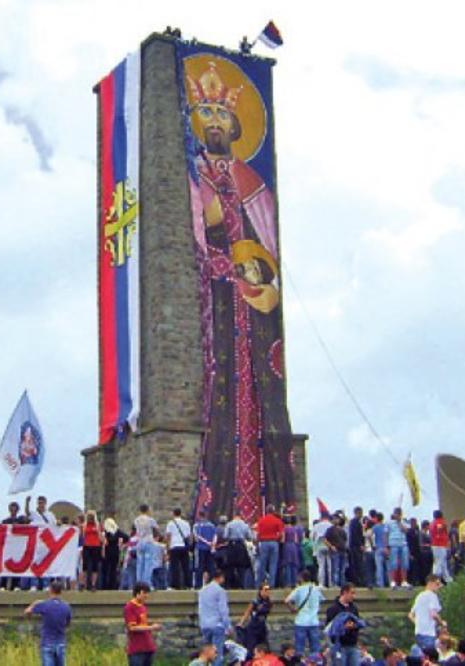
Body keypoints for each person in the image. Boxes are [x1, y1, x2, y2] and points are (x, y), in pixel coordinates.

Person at [186, 58, 297, 524]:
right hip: (216, 303)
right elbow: (199, 231)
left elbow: (265, 239)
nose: (214, 124)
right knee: (224, 388)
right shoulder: (195, 176)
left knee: (260, 390)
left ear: (235, 126)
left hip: (252, 308)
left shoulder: (252, 182)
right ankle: (225, 498)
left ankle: (270, 502)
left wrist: (254, 275)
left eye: (222, 117)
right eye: (205, 115)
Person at [24, 580, 73, 666]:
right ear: (61, 591)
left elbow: (27, 612)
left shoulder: (44, 605)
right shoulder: (66, 606)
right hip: (60, 642)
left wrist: (34, 603)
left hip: (47, 642)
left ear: (50, 590)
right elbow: (68, 623)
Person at [285, 569, 324, 656]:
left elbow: (287, 600)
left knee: (299, 649)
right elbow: (322, 600)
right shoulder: (316, 589)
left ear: (301, 578)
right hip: (314, 621)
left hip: (301, 621)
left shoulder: (299, 589)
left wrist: (292, 609)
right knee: (315, 649)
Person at [199, 570, 232, 666]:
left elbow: (200, 609)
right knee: (217, 654)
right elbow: (223, 611)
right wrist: (228, 626)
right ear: (220, 577)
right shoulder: (220, 591)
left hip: (205, 625)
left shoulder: (202, 591)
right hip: (217, 625)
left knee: (207, 654)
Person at [124, 581, 161, 666]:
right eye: (144, 593)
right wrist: (151, 627)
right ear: (137, 592)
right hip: (137, 649)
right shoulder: (129, 607)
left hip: (148, 647)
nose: (146, 596)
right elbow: (132, 627)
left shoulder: (143, 607)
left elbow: (143, 624)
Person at [326, 583, 364, 666]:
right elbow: (329, 629)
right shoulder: (333, 609)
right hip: (340, 646)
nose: (353, 596)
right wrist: (342, 627)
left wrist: (353, 626)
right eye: (352, 593)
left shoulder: (353, 609)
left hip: (353, 645)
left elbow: (357, 623)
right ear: (345, 592)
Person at [410, 575, 447, 652]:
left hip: (418, 632)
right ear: (430, 583)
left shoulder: (419, 596)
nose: (439, 586)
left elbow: (410, 615)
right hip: (428, 633)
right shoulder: (432, 596)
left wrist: (419, 623)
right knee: (430, 657)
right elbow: (433, 614)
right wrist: (441, 623)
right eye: (437, 584)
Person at [239, 582, 274, 656]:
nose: (267, 592)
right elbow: (248, 612)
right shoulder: (255, 601)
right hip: (253, 627)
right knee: (251, 647)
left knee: (265, 647)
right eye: (265, 590)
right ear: (260, 591)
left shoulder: (269, 602)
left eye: (268, 590)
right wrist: (241, 623)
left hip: (262, 627)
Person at [256, 505, 284, 588]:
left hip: (263, 543)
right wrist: (278, 539)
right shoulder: (278, 521)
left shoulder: (261, 520)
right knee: (273, 564)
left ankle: (260, 584)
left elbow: (258, 534)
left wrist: (258, 543)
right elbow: (281, 533)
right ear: (273, 511)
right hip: (274, 543)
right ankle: (271, 584)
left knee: (262, 564)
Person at [166, 508, 193, 590]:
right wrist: (190, 546)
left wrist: (168, 547)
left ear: (173, 513)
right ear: (180, 514)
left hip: (174, 546)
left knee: (174, 567)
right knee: (186, 566)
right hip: (184, 547)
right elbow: (189, 536)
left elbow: (168, 536)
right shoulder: (186, 523)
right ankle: (188, 585)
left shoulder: (170, 524)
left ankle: (175, 585)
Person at [80, 510, 105, 592]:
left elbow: (101, 538)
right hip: (87, 546)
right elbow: (81, 535)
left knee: (95, 566)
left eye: (92, 516)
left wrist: (99, 532)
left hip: (95, 546)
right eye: (89, 516)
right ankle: (83, 584)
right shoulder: (84, 525)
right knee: (85, 566)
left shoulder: (97, 526)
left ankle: (93, 584)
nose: (90, 518)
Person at [193, 511, 219, 588]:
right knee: (211, 566)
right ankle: (212, 583)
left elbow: (197, 537)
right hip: (210, 549)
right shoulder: (212, 525)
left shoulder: (196, 526)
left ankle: (198, 585)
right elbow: (215, 535)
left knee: (199, 566)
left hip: (201, 548)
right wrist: (213, 544)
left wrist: (207, 542)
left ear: (199, 516)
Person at [429, 511, 452, 584]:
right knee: (439, 562)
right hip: (440, 545)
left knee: (442, 563)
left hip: (435, 545)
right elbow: (439, 528)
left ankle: (448, 579)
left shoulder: (432, 523)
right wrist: (440, 534)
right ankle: (436, 580)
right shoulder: (440, 522)